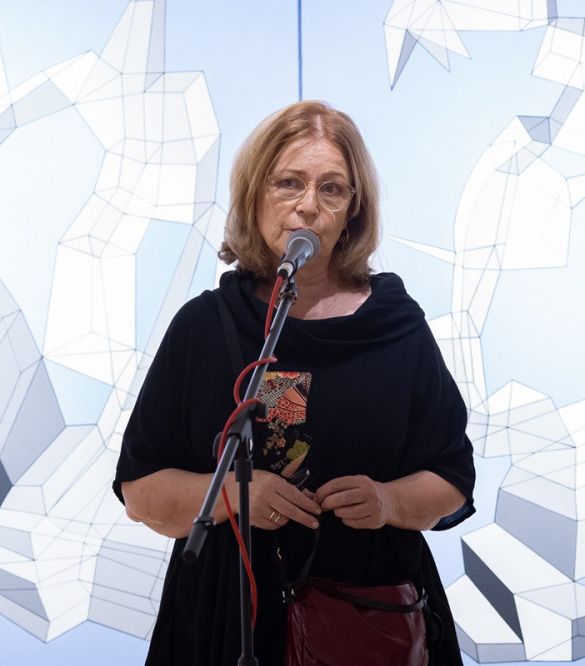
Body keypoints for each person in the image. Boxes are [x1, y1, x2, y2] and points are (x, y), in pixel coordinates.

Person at [113, 100, 475, 665]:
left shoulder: (396, 326)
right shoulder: (205, 327)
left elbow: (452, 477)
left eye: (331, 189)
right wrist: (233, 495)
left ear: (353, 210)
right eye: (288, 183)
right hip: (226, 619)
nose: (308, 205)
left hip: (370, 620)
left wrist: (389, 500)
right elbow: (141, 492)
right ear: (254, 194)